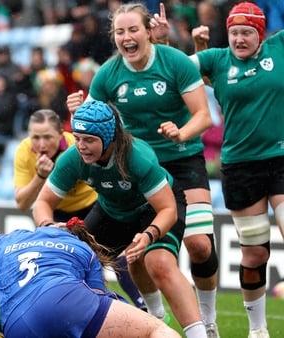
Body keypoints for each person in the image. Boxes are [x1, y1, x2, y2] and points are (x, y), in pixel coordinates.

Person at [66, 3, 219, 336]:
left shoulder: (175, 62)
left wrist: (181, 133)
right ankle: (156, 317)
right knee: (136, 257)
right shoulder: (108, 73)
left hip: (181, 158)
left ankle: (208, 321)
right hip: (135, 166)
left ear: (149, 31)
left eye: (133, 29)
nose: (126, 37)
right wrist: (77, 109)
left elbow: (203, 117)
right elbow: (89, 123)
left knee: (200, 246)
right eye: (120, 32)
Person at [33, 100, 206, 337]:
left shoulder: (137, 156)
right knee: (70, 258)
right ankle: (155, 318)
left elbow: (168, 210)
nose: (80, 146)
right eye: (77, 137)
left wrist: (148, 235)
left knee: (158, 263)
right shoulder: (73, 157)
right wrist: (49, 226)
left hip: (155, 208)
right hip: (112, 210)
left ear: (109, 139)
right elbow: (42, 203)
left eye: (89, 140)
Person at [189, 2, 284, 337]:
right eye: (234, 33)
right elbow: (175, 70)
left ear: (260, 34)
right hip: (241, 168)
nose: (239, 39)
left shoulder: (280, 46)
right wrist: (163, 41)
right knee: (255, 253)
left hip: (281, 161)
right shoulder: (216, 59)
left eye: (247, 32)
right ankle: (258, 331)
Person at [0, 216, 180, 338]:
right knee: (154, 331)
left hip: (16, 325)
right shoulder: (84, 250)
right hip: (63, 300)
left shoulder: (8, 240)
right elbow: (96, 298)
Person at [14, 108, 147, 311]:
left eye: (48, 137)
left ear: (61, 134)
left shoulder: (78, 145)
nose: (41, 144)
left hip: (91, 207)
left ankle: (142, 308)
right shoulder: (24, 152)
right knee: (76, 269)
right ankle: (99, 310)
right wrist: (40, 176)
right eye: (36, 137)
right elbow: (23, 203)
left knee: (115, 261)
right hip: (56, 215)